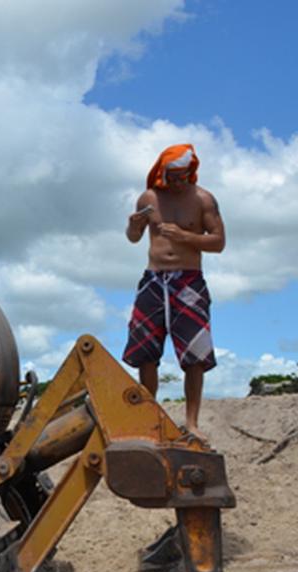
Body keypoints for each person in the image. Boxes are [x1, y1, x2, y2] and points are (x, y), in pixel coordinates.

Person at [122, 144, 225, 437]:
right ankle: (148, 418)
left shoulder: (203, 199)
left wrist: (185, 236)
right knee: (145, 351)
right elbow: (134, 238)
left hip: (189, 279)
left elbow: (218, 242)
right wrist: (132, 226)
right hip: (154, 279)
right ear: (163, 174)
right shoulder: (149, 199)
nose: (179, 182)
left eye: (184, 176)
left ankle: (192, 422)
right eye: (174, 177)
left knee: (195, 354)